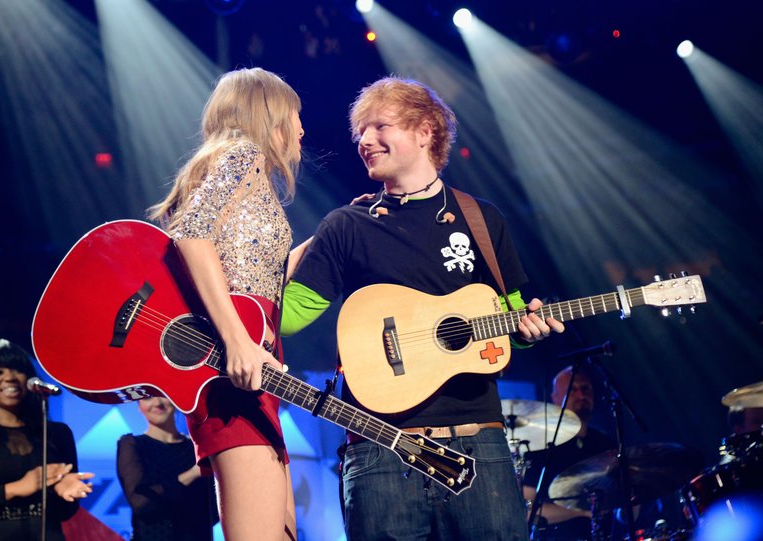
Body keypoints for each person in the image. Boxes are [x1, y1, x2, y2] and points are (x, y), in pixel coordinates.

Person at [281, 76, 565, 540]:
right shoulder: (346, 225)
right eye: (360, 133)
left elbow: (507, 319)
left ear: (425, 131)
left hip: (480, 444)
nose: (365, 141)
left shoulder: (482, 218)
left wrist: (526, 328)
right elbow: (288, 318)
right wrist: (267, 267)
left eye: (379, 127)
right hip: (379, 450)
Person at [147, 67, 305, 541]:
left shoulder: (240, 167)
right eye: (296, 116)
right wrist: (237, 340)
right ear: (270, 115)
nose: (301, 130)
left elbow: (251, 274)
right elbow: (190, 235)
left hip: (253, 366)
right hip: (234, 371)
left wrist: (337, 235)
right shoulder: (244, 156)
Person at [0, 338, 94, 541]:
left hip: (46, 533)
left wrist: (62, 491)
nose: (10, 378)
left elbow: (67, 512)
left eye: (17, 370)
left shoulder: (57, 433)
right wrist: (17, 488)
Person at [522, 366, 615, 540]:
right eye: (572, 389)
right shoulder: (540, 444)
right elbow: (526, 510)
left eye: (586, 389)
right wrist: (582, 512)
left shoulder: (606, 444)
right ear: (555, 398)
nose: (581, 395)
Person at [117, 397, 217, 541]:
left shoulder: (197, 447)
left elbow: (214, 510)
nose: (157, 403)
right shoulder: (132, 445)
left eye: (162, 396)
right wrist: (192, 474)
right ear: (139, 406)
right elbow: (140, 502)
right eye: (148, 398)